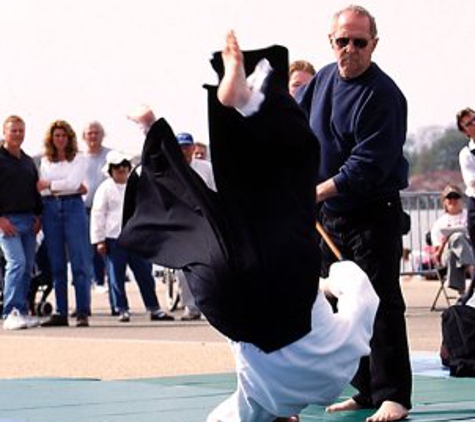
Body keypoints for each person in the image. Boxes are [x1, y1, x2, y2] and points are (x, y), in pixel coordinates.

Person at [119, 31, 379, 422]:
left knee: (293, 178)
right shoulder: (256, 398)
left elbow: (361, 291)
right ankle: (152, 131)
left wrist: (328, 281)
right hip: (230, 301)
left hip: (290, 290)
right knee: (199, 218)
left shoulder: (331, 377)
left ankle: (251, 101)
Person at [298, 5, 411, 421]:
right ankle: (364, 390)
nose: (350, 50)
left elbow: (368, 163)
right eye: (342, 41)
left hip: (372, 212)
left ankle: (393, 394)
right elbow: (293, 125)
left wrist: (318, 191)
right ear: (331, 42)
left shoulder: (384, 95)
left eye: (359, 42)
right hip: (331, 216)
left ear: (374, 44)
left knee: (379, 303)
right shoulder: (322, 80)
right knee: (343, 306)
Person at [90, 150, 174, 322]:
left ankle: (153, 307)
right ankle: (121, 308)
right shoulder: (105, 189)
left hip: (136, 237)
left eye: (124, 168)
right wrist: (98, 240)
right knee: (116, 275)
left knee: (144, 274)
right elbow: (98, 214)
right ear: (111, 171)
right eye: (117, 169)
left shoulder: (137, 185)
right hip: (113, 238)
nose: (121, 172)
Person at [37, 120, 91, 327]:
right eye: (56, 136)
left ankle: (82, 311)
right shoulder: (45, 161)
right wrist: (62, 187)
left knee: (79, 262)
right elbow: (41, 190)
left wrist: (51, 185)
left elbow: (74, 184)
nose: (60, 139)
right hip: (50, 208)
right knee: (57, 263)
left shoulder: (78, 158)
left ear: (69, 138)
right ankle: (60, 311)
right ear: (51, 139)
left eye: (63, 135)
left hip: (73, 208)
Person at [0, 115, 42, 330]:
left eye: (21, 130)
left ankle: (22, 310)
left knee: (27, 268)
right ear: (4, 133)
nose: (18, 134)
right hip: (7, 221)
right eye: (13, 130)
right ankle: (10, 312)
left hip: (28, 220)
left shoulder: (27, 161)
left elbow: (34, 190)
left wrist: (38, 216)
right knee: (16, 263)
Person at [430, 184, 475, 300]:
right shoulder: (439, 224)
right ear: (444, 201)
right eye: (450, 198)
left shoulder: (470, 217)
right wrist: (445, 242)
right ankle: (472, 268)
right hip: (446, 256)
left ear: (462, 199)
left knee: (454, 252)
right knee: (456, 237)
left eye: (456, 197)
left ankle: (462, 294)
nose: (453, 200)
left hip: (466, 252)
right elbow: (436, 255)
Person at [82, 121, 112, 295]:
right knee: (89, 246)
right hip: (85, 208)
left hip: (107, 209)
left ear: (102, 135)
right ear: (84, 137)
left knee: (106, 245)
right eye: (89, 133)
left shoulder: (110, 155)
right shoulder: (79, 157)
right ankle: (96, 280)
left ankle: (106, 279)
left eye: (96, 133)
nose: (93, 136)